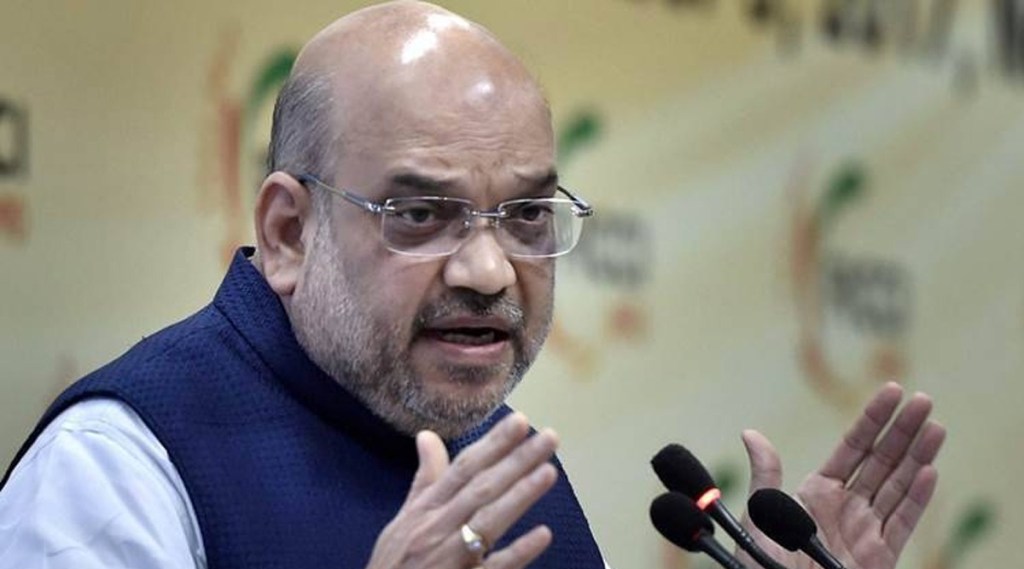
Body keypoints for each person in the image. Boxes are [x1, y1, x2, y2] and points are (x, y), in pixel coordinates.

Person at [0, 2, 945, 568]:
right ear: (288, 232)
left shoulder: (502, 462)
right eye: (420, 214)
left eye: (526, 216)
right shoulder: (117, 469)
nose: (489, 272)